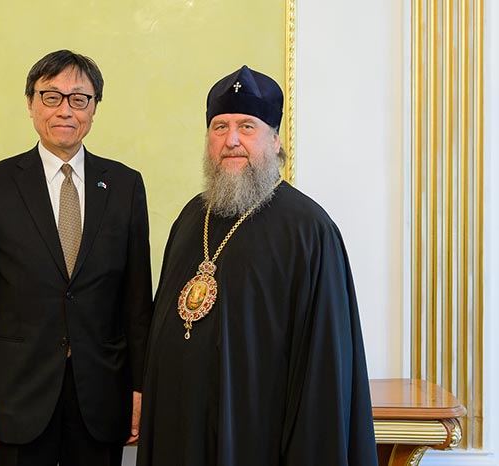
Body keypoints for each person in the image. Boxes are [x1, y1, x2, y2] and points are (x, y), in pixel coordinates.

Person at [136, 66, 378, 466]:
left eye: (246, 127)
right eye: (220, 127)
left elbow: (324, 371)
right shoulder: (191, 219)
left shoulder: (309, 231)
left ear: (275, 140)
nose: (231, 140)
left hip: (260, 438)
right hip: (182, 434)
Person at [0, 49, 153, 466]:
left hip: (102, 395)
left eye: (79, 99)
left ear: (94, 108)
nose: (65, 110)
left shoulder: (125, 186)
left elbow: (137, 302)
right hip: (17, 394)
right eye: (51, 96)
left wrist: (141, 389)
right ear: (31, 104)